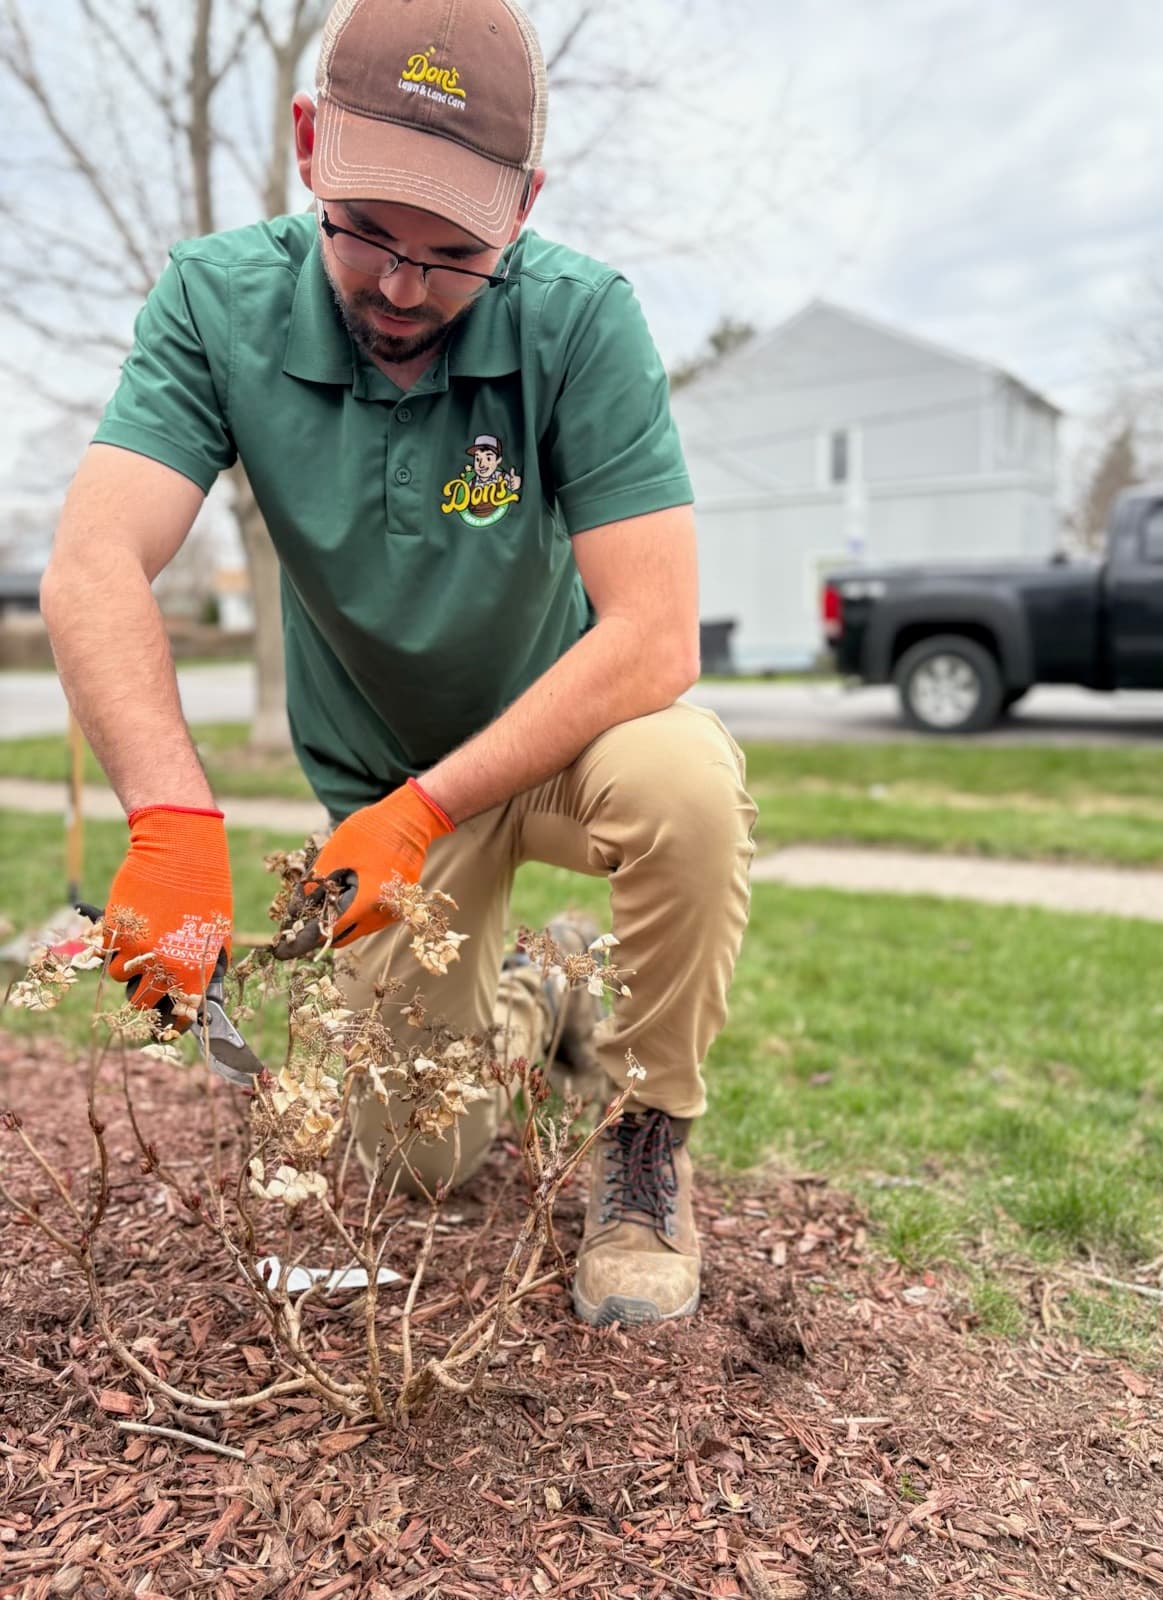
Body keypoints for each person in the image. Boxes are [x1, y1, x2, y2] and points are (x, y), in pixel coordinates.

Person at [39, 0, 756, 1328]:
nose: (404, 285)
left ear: (526, 208)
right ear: (309, 144)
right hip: (380, 790)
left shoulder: (581, 319)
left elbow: (654, 633)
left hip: (557, 750)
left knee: (688, 779)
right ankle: (546, 995)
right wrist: (174, 819)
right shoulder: (217, 302)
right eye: (368, 228)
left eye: (457, 249)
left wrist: (440, 804)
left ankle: (649, 1142)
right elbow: (91, 565)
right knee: (419, 1160)